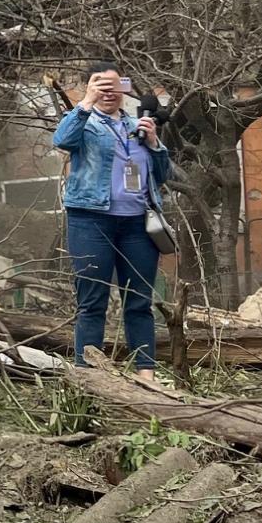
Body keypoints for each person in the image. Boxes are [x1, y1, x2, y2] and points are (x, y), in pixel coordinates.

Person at [53, 64, 170, 379]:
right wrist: (86, 101)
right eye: (99, 85)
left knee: (139, 302)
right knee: (92, 301)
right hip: (91, 222)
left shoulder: (138, 125)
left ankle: (147, 375)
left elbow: (163, 174)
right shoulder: (83, 122)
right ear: (90, 88)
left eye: (113, 85)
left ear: (123, 89)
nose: (108, 91)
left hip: (138, 226)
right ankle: (91, 375)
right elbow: (62, 140)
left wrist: (155, 143)